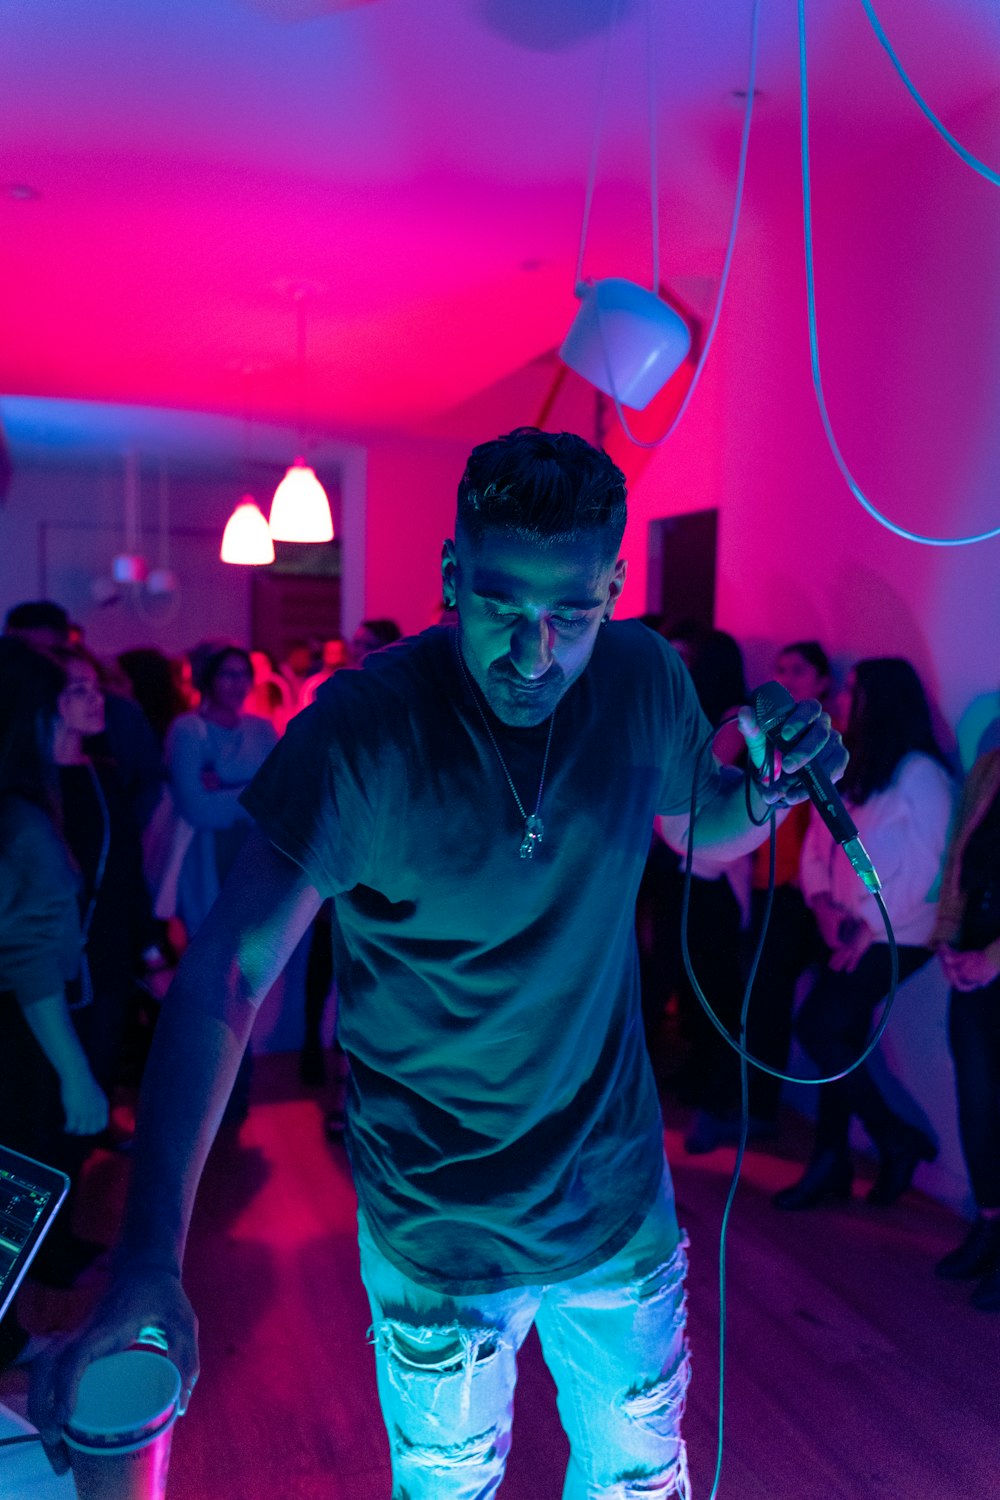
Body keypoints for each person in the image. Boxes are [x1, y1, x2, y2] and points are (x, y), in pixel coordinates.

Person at [31, 428, 844, 1499]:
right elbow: (227, 969)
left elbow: (704, 828)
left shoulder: (644, 676)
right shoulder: (368, 732)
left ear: (613, 588)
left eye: (572, 615)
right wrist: (147, 1258)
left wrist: (772, 791)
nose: (532, 655)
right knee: (448, 1487)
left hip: (614, 1203)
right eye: (503, 607)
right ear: (452, 576)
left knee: (637, 1481)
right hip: (437, 1231)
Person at [774, 657, 953, 1211]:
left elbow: (929, 875)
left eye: (855, 690)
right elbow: (820, 846)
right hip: (852, 929)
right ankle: (832, 1159)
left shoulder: (921, 775)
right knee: (840, 1035)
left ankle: (894, 1139)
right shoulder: (859, 765)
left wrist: (866, 929)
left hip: (901, 936)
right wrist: (824, 904)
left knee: (819, 1025)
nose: (845, 700)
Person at [0, 639, 106, 1362]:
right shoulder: (24, 821)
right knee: (16, 1185)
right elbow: (34, 964)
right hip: (20, 1033)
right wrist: (76, 1073)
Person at [163, 642, 278, 1123]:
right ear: (207, 679)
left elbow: (281, 794)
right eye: (227, 674)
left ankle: (236, 1088)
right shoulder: (187, 730)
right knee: (210, 974)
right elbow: (197, 808)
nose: (237, 683)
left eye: (242, 673)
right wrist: (250, 794)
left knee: (247, 976)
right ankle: (204, 1092)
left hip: (255, 861)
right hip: (204, 863)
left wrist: (229, 790)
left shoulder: (261, 728)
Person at [931, 746, 1000, 1310]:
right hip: (974, 954)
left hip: (995, 959)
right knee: (977, 1101)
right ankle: (990, 1223)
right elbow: (961, 850)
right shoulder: (992, 764)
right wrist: (950, 939)